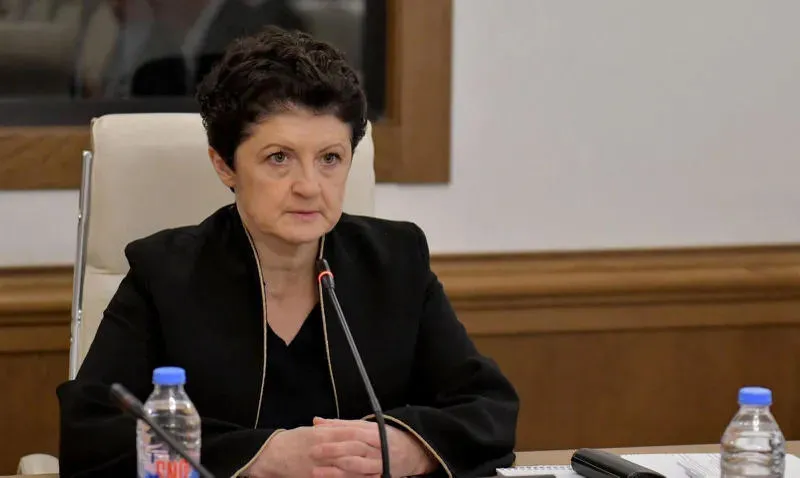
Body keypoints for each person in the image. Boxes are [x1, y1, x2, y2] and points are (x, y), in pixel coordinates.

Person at [57, 26, 519, 478]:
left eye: (330, 158)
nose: (309, 187)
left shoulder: (396, 260)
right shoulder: (163, 273)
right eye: (279, 158)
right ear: (224, 165)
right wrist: (263, 455)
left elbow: (488, 406)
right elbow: (90, 434)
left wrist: (409, 447)